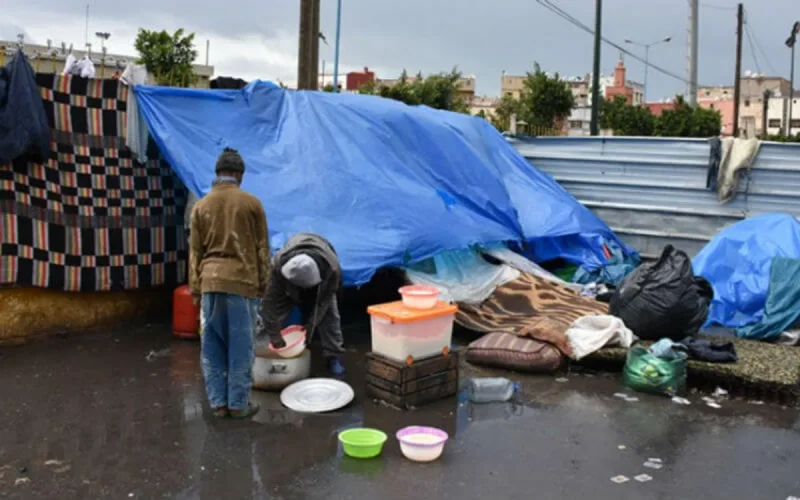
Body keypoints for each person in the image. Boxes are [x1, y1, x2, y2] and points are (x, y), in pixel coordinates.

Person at [189, 147, 270, 419]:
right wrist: (263, 285)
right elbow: (262, 249)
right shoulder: (251, 204)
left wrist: (196, 290)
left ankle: (218, 404)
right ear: (238, 174)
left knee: (212, 348)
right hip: (241, 284)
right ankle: (238, 404)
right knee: (240, 348)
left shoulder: (200, 207)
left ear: (218, 173)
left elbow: (195, 254)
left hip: (210, 284)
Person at [260, 233, 346, 375]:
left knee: (330, 316)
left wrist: (309, 327)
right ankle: (262, 356)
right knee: (271, 317)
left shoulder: (332, 269)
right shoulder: (276, 268)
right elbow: (269, 308)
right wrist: (276, 338)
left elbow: (322, 305)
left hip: (323, 274)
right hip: (286, 281)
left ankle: (334, 355)